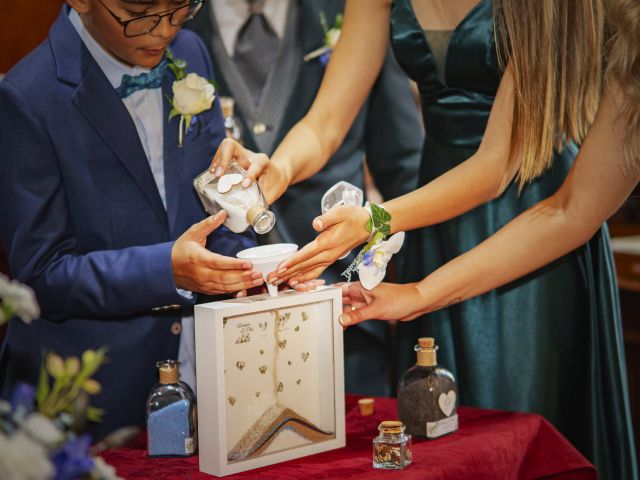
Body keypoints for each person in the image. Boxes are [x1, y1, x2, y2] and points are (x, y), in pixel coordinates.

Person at [209, 0, 638, 478]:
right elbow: (328, 119)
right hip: (428, 215)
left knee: (518, 422)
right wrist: (277, 171)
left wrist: (378, 219)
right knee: (431, 424)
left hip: (529, 205)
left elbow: (500, 166)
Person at [0, 0, 265, 439]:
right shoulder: (27, 96)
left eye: (180, 6)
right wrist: (167, 270)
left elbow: (214, 202)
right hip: (94, 400)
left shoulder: (190, 51)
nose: (163, 30)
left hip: (208, 375)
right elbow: (41, 275)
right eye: (140, 12)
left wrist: (248, 268)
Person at [186, 0, 422, 396]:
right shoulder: (173, 29)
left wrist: (399, 287)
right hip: (218, 333)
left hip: (347, 320)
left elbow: (404, 168)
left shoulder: (352, 11)